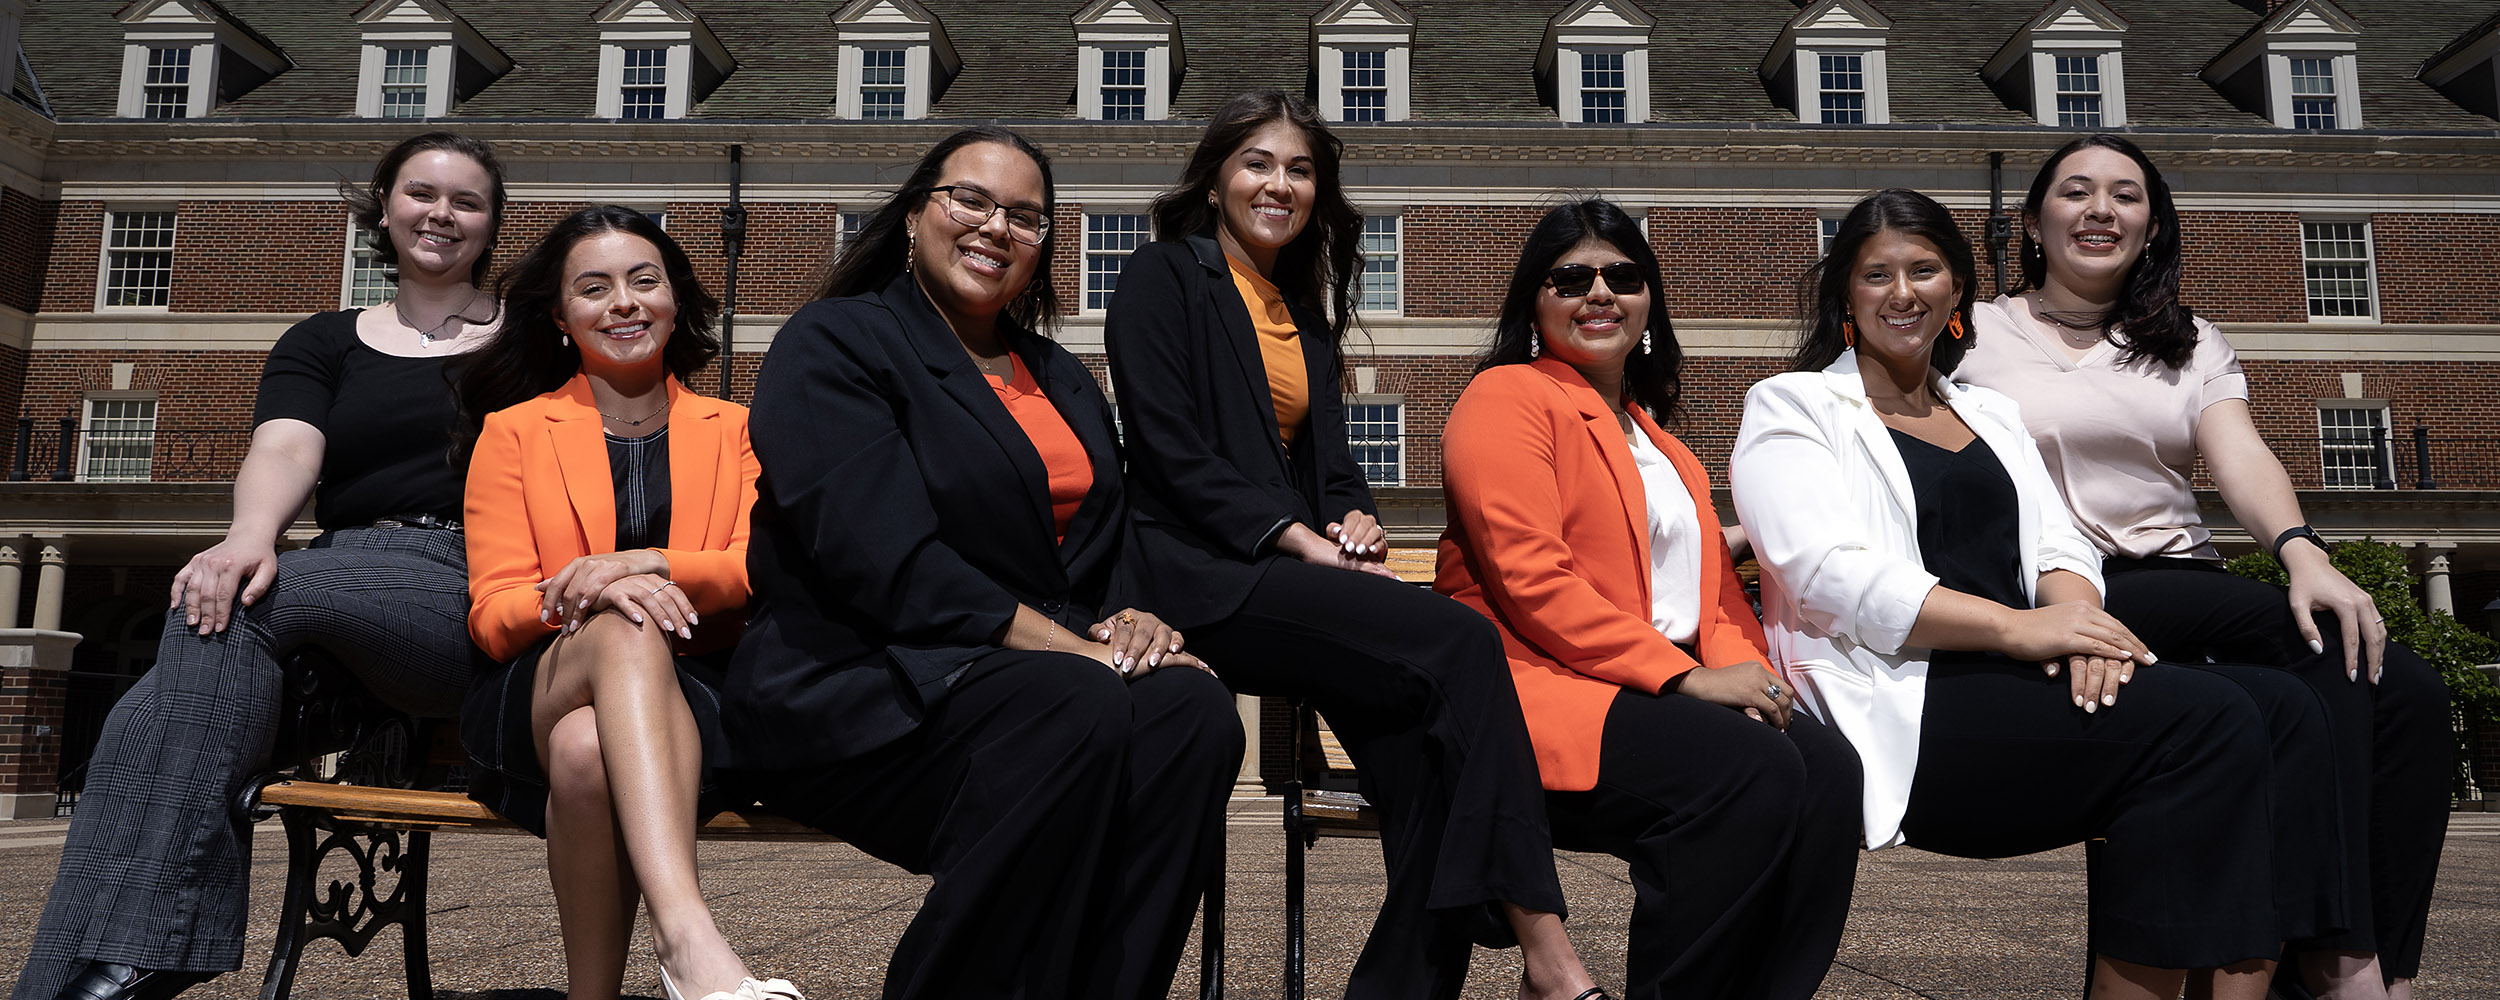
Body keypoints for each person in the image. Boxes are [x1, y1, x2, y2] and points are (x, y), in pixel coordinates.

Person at [1730, 188, 2293, 1000]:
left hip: (2024, 673)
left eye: (1923, 270)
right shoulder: (1795, 405)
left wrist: (2078, 624)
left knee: (2276, 705)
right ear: (1846, 297)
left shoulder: (1989, 412)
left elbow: (2058, 544)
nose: (1901, 292)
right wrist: (2019, 632)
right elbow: (1831, 573)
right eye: (1875, 274)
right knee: (2205, 721)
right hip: (1913, 699)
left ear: (1958, 289)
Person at [719, 126, 1239, 1000]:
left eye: (1027, 218)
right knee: (1077, 704)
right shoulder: (837, 343)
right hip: (861, 687)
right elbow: (882, 560)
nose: (997, 227)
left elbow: (1104, 537)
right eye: (972, 199)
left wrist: (1132, 616)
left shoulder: (1058, 375)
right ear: (918, 211)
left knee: (1194, 712)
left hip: (1020, 691)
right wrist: (1081, 653)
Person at [1103, 89, 1600, 1000]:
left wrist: (1354, 520)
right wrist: (1297, 538)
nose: (1279, 184)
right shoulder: (1162, 277)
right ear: (1215, 180)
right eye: (1258, 162)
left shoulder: (1307, 315)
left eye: (1300, 169)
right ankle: (1549, 950)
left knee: (1428, 761)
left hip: (1289, 575)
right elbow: (1169, 451)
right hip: (1200, 578)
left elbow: (1331, 469)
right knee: (1462, 639)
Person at [1958, 133, 2452, 1000]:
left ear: (2152, 229)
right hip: (2059, 586)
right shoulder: (1974, 333)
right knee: (2313, 683)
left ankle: (2375, 959)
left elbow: (2241, 453)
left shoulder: (2187, 340)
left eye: (2127, 195)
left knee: (2400, 687)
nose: (2101, 209)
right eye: (2076, 191)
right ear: (2034, 223)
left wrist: (2300, 551)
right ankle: (2342, 964)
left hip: (2179, 579)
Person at [14, 132, 507, 1000]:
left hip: (460, 573)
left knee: (242, 603)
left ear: (492, 223)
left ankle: (160, 946)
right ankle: (60, 987)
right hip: (341, 567)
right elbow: (284, 446)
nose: (442, 214)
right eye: (422, 193)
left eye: (467, 201)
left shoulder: (530, 341)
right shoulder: (324, 340)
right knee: (136, 728)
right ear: (384, 208)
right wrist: (248, 534)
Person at [1435, 199, 1862, 1000]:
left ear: (1648, 304)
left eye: (1622, 277)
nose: (1599, 292)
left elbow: (1716, 602)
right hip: (1543, 693)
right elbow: (1533, 579)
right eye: (1571, 278)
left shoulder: (1665, 447)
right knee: (1747, 771)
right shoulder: (1507, 398)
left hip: (1648, 689)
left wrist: (1749, 683)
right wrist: (1684, 678)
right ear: (1535, 300)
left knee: (1830, 771)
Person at [454, 206, 795, 1000]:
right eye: (594, 288)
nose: (624, 303)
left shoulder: (740, 430)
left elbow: (761, 568)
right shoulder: (513, 432)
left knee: (587, 750)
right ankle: (689, 940)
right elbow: (494, 609)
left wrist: (648, 562)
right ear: (562, 318)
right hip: (540, 679)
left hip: (698, 690)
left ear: (676, 301)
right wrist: (599, 588)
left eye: (645, 281)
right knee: (624, 627)